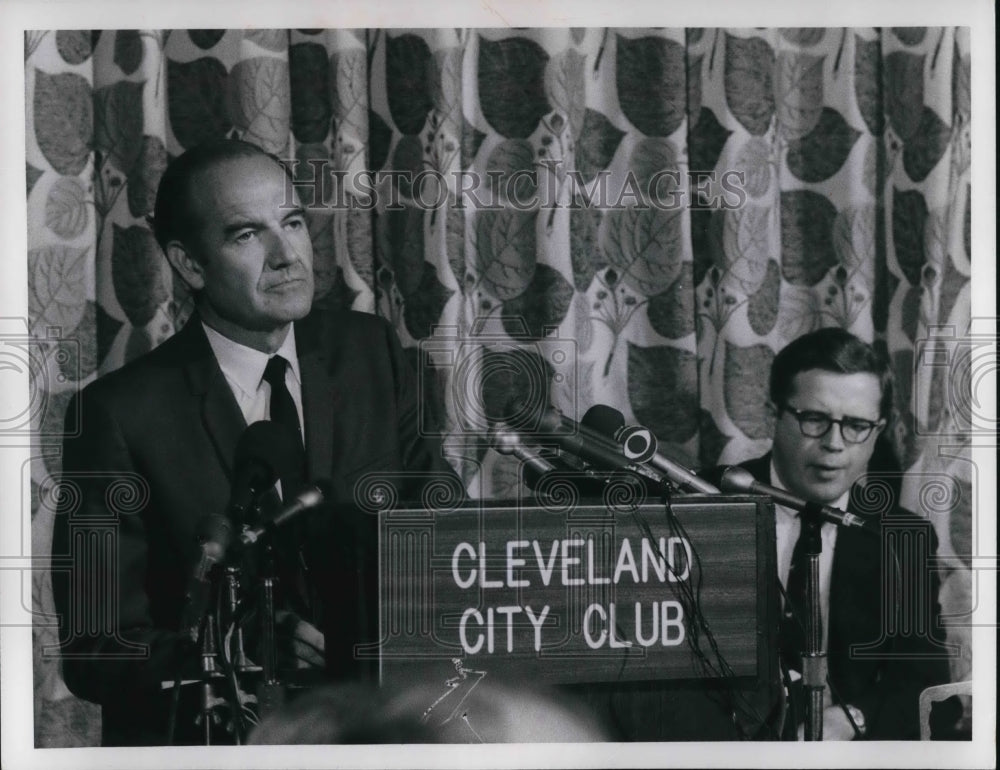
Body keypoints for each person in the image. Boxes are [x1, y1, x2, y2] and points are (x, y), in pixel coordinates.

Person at [50, 140, 458, 745]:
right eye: (246, 235)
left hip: (382, 733)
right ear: (190, 265)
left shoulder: (372, 352)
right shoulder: (118, 414)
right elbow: (95, 645)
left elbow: (442, 532)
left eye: (292, 222)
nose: (286, 253)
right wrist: (237, 650)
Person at [717, 327, 950, 740]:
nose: (835, 443)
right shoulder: (699, 501)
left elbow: (933, 698)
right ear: (774, 415)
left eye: (857, 425)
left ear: (877, 432)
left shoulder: (902, 539)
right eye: (814, 419)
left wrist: (852, 721)